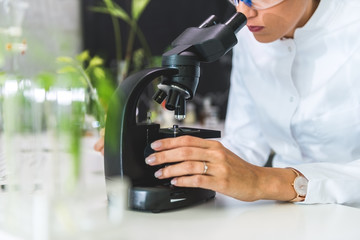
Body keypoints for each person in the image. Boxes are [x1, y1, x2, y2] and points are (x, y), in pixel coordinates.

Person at [95, 0, 360, 205]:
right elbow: (245, 145)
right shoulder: (250, 36)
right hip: (284, 213)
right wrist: (165, 152)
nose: (244, 13)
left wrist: (266, 181)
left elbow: (257, 178)